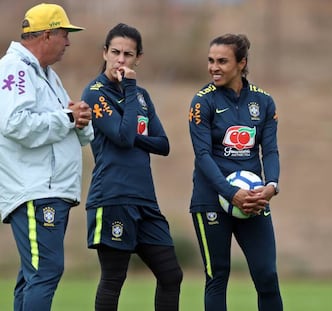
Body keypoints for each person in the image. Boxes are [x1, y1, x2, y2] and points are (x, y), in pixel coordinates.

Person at [81, 23, 183, 311]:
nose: (121, 60)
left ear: (138, 58)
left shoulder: (141, 96)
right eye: (115, 52)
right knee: (114, 278)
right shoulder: (95, 93)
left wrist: (134, 130)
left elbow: (163, 144)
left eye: (128, 54)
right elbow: (124, 138)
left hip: (144, 200)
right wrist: (129, 88)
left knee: (171, 275)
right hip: (113, 196)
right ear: (105, 53)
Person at [0, 3, 94, 311]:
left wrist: (79, 118)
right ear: (47, 35)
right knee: (46, 272)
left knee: (33, 276)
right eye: (65, 34)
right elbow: (14, 123)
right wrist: (68, 118)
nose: (68, 42)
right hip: (35, 189)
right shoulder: (16, 69)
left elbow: (68, 124)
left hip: (51, 190)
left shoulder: (47, 75)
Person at [188, 33, 283, 311]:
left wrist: (271, 186)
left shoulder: (264, 102)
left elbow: (271, 151)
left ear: (241, 63)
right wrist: (231, 193)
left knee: (267, 275)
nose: (214, 67)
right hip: (211, 201)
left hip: (254, 201)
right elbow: (203, 155)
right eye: (210, 61)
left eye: (222, 61)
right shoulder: (202, 102)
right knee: (217, 277)